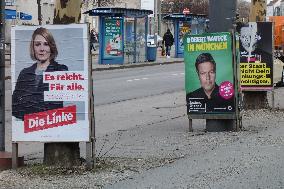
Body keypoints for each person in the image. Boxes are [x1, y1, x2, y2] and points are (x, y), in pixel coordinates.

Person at [12, 27, 68, 121]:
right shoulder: (24, 73)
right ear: (33, 48)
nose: (42, 49)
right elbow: (14, 106)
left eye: (46, 44)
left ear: (51, 46)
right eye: (37, 44)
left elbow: (54, 105)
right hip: (28, 127)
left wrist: (28, 105)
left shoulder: (60, 70)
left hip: (50, 127)